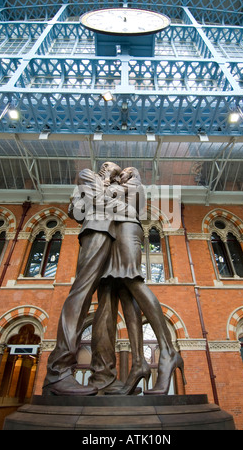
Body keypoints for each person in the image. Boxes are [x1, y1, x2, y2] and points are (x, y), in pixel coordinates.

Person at [91, 167, 186, 395]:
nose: (117, 173)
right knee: (125, 291)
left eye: (121, 171)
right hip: (116, 235)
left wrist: (107, 181)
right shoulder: (121, 187)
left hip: (127, 232)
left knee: (132, 280)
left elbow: (104, 200)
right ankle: (138, 363)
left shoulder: (132, 185)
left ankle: (167, 351)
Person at [42, 162, 124, 396]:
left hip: (117, 241)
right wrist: (123, 201)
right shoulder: (88, 175)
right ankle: (58, 371)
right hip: (96, 231)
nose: (115, 176)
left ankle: (103, 376)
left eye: (119, 175)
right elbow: (98, 202)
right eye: (114, 171)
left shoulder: (111, 186)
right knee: (81, 293)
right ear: (104, 168)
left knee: (108, 306)